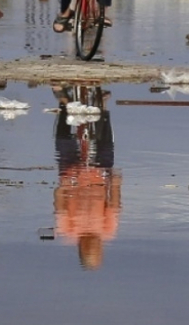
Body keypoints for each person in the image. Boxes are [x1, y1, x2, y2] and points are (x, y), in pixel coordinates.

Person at [52, 86, 121, 271]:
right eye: (96, 251)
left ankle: (64, 104)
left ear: (81, 249)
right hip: (98, 177)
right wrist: (115, 184)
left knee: (63, 145)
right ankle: (103, 108)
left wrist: (62, 189)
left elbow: (60, 207)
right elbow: (113, 205)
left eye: (91, 251)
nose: (94, 247)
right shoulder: (108, 231)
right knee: (106, 149)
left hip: (72, 178)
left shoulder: (67, 231)